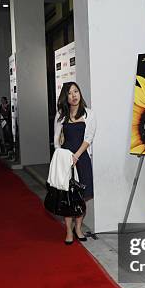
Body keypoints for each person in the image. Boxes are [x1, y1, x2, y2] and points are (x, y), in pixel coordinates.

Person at [53, 82, 96, 245]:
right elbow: (56, 139)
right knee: (68, 197)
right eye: (70, 93)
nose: (74, 95)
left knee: (81, 197)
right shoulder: (61, 115)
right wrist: (62, 155)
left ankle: (78, 228)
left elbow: (88, 138)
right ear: (66, 97)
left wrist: (76, 156)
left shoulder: (89, 114)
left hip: (82, 158)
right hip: (65, 160)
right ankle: (68, 231)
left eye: (76, 91)